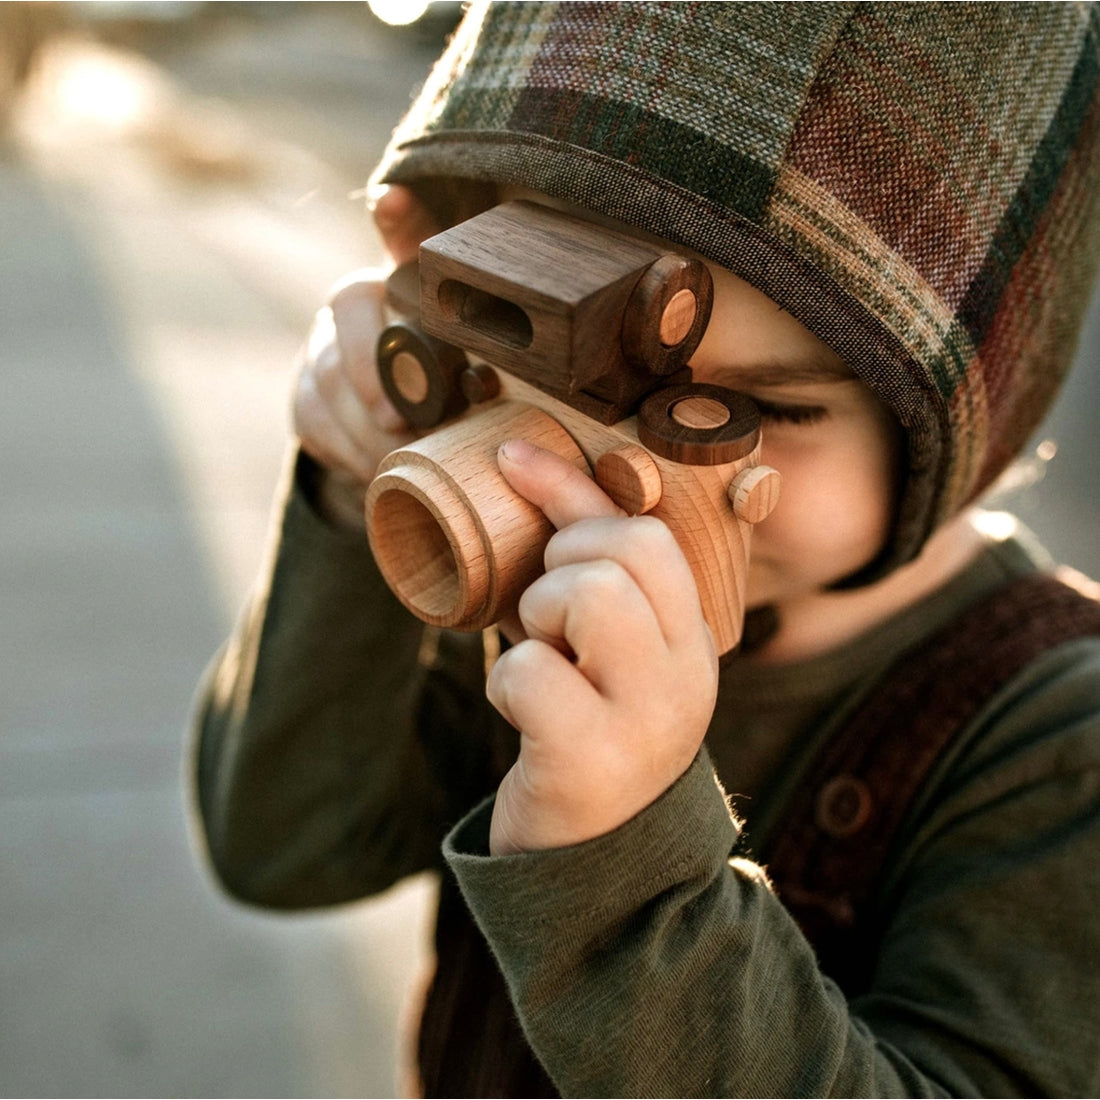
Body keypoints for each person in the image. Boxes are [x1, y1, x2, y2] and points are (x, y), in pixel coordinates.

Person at [190, 3, 1100, 1096]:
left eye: (729, 408)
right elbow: (284, 844)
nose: (618, 473)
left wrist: (619, 863)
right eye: (544, 356)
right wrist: (352, 496)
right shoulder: (531, 596)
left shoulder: (1056, 744)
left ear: (960, 430)